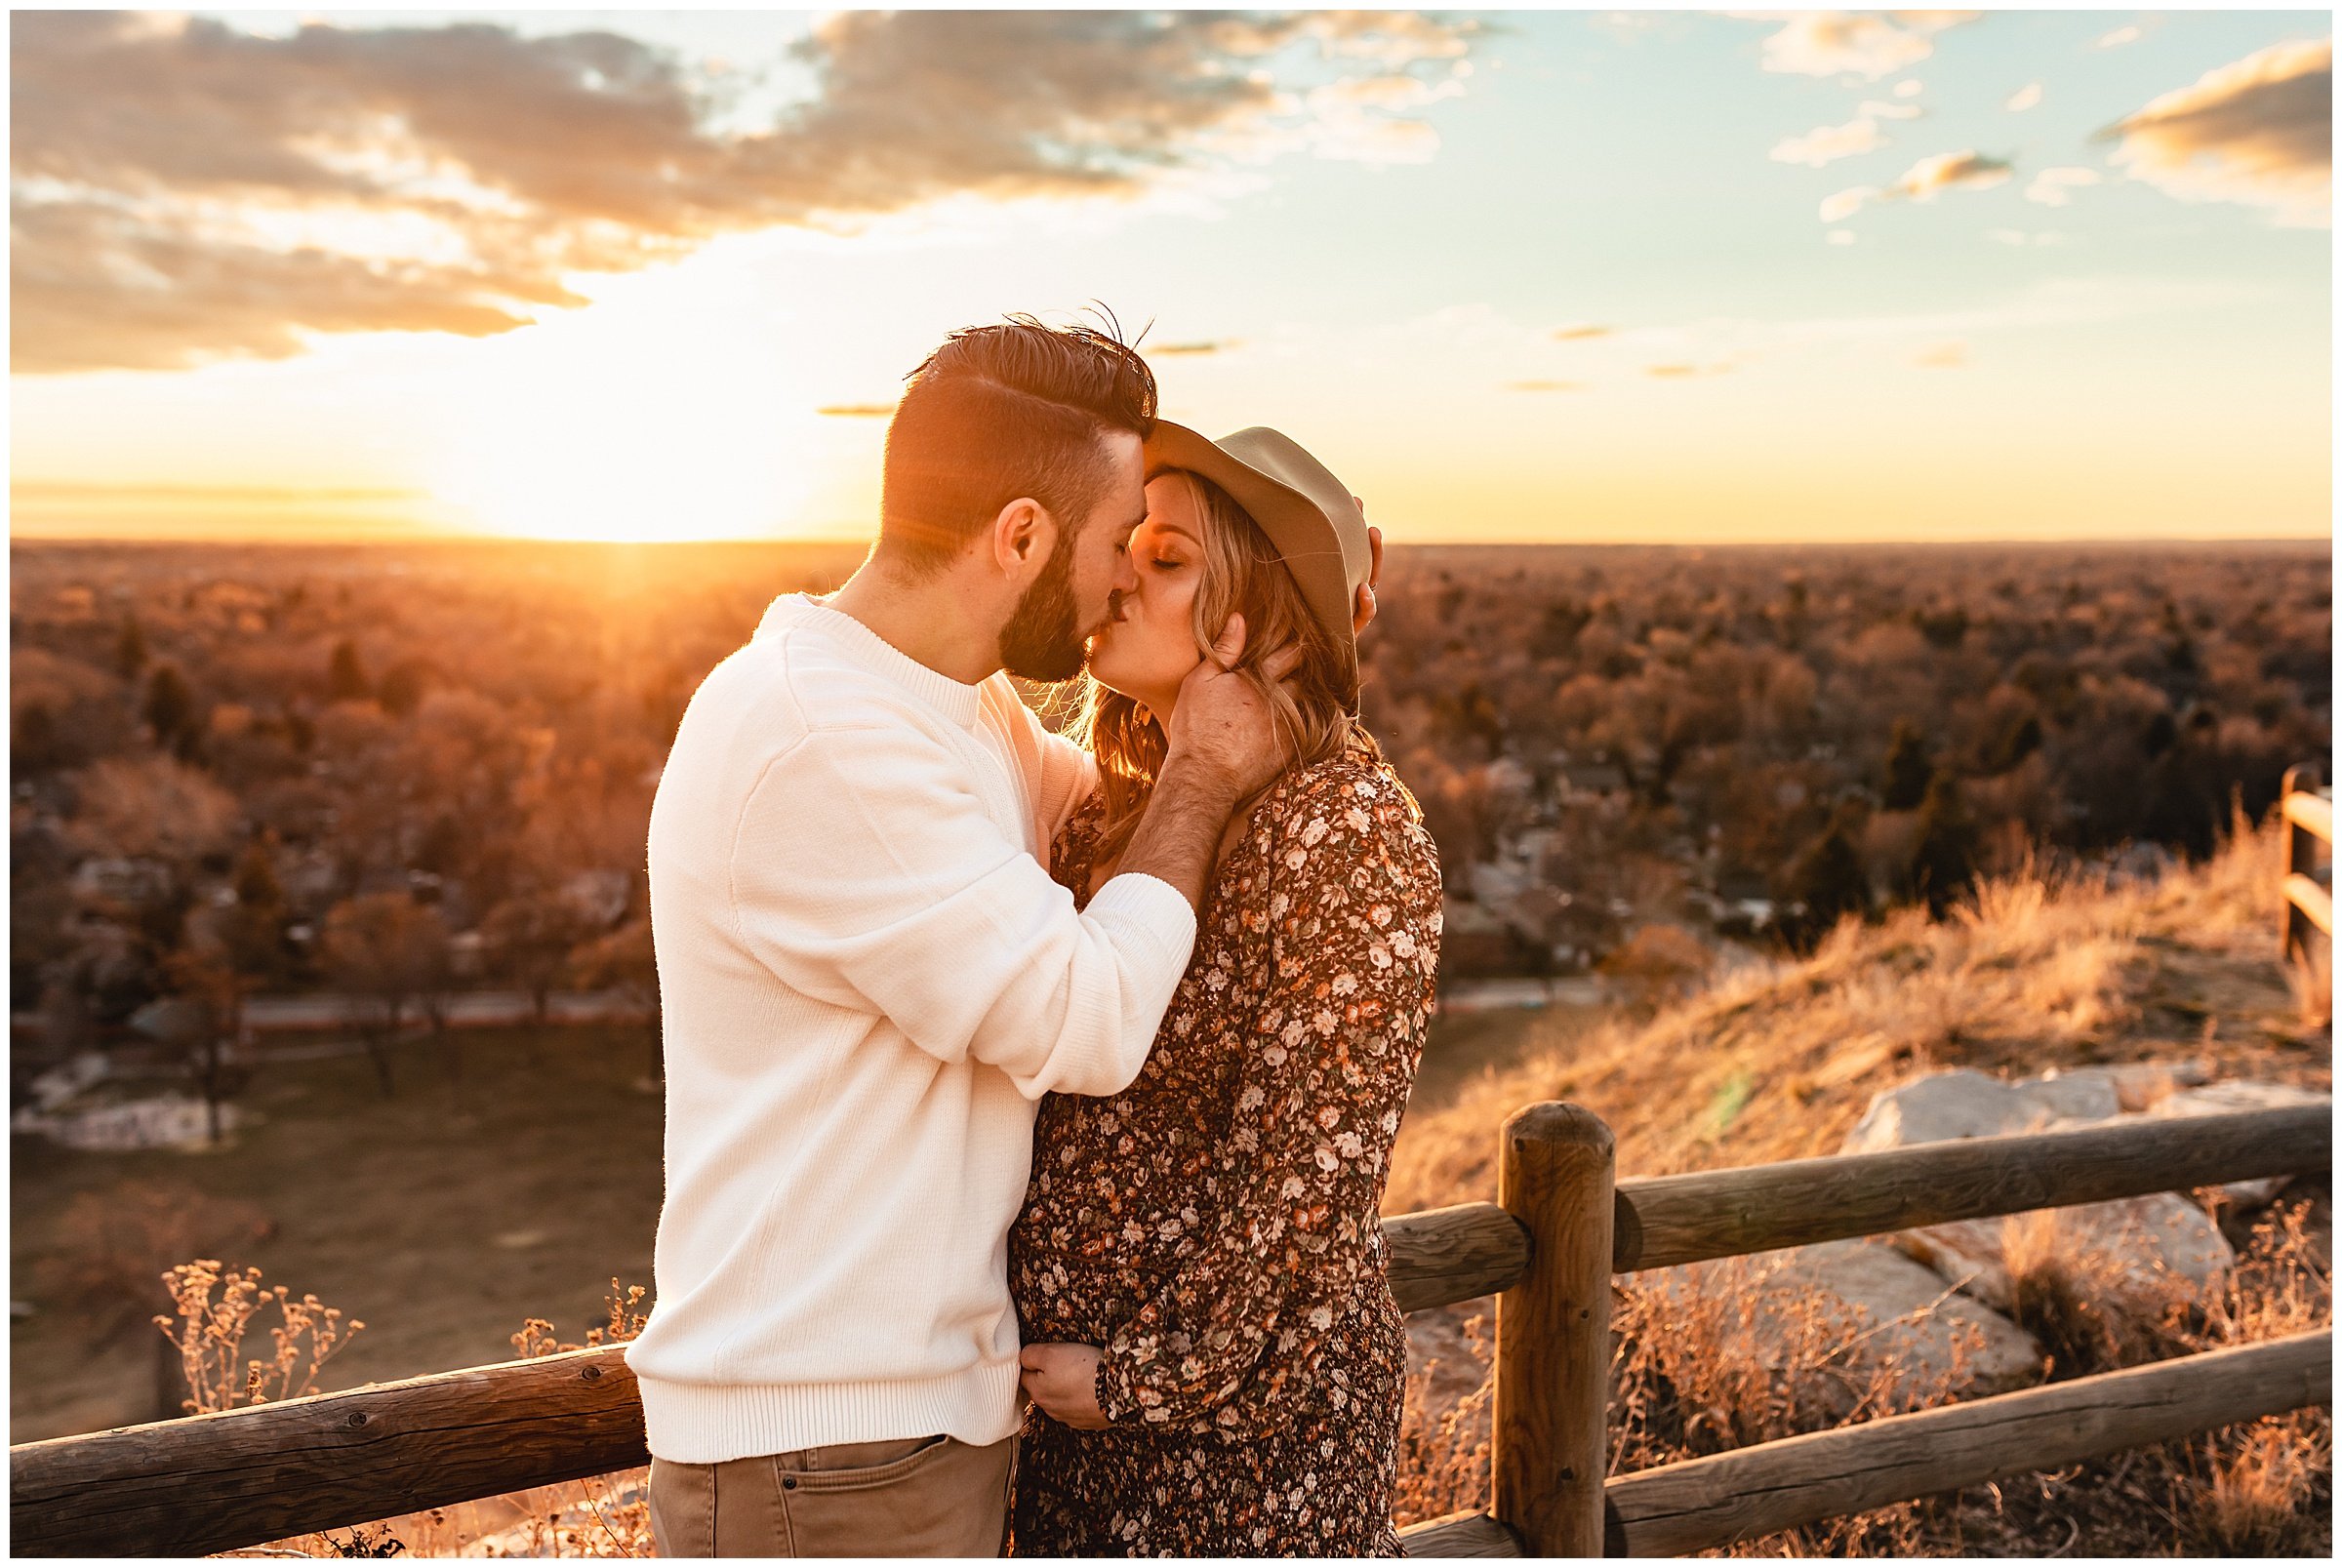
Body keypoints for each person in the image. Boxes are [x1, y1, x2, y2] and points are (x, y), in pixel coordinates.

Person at [628, 320, 1324, 1557]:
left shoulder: (952, 707)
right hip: (820, 1457)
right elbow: (1093, 1013)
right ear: (1020, 535)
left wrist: (1290, 629)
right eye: (1121, 545)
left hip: (884, 1439)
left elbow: (1108, 837)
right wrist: (1208, 771)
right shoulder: (828, 740)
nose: (1123, 580)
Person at [1007, 422, 1442, 1556]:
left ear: (1249, 613)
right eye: (1128, 548)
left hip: (1244, 1462)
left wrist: (1136, 1378)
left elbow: (1310, 1185)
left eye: (1167, 560)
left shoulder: (1343, 830)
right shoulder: (1121, 801)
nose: (1118, 581)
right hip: (1079, 1441)